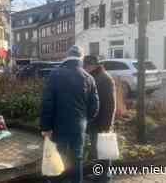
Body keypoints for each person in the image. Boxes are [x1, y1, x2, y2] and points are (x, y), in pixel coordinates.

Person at [40, 45, 100, 183]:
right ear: (81, 58)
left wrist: (46, 127)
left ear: (67, 56)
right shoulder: (89, 78)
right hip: (78, 127)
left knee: (57, 157)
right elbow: (95, 105)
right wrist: (85, 120)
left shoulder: (55, 74)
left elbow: (47, 103)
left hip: (57, 126)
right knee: (77, 159)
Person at [83, 55, 117, 183]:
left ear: (92, 65)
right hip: (96, 122)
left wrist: (107, 125)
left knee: (104, 153)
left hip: (102, 123)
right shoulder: (96, 77)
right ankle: (99, 175)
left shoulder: (104, 79)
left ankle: (104, 178)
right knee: (98, 152)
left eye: (85, 66)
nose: (84, 69)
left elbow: (110, 104)